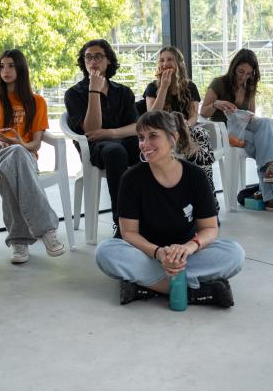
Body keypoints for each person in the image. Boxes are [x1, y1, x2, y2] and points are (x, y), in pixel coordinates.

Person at [94, 111, 245, 307]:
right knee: (106, 252)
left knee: (234, 253)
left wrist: (187, 249)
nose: (144, 144)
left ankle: (147, 287)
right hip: (147, 254)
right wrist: (159, 253)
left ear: (173, 138)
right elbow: (129, 233)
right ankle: (193, 291)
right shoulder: (131, 178)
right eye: (141, 138)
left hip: (187, 254)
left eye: (153, 136)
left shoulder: (195, 176)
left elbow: (210, 228)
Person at [0, 49, 66, 264]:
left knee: (14, 163)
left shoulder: (37, 102)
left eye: (11, 65)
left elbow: (35, 144)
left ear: (21, 68)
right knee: (13, 155)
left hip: (24, 157)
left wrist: (19, 144)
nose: (5, 70)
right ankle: (47, 229)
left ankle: (19, 241)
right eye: (2, 66)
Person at [201, 48, 273, 214]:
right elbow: (203, 113)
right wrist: (216, 104)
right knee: (266, 145)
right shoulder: (219, 83)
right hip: (225, 132)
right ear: (233, 67)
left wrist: (247, 117)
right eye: (241, 72)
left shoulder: (250, 86)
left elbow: (252, 114)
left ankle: (271, 173)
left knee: (268, 123)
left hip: (243, 129)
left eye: (249, 73)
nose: (244, 77)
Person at [64, 39, 139, 235]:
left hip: (122, 141)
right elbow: (92, 128)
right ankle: (122, 224)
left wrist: (111, 132)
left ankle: (152, 215)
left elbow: (137, 127)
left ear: (108, 61)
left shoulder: (123, 92)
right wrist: (94, 90)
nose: (93, 61)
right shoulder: (73, 94)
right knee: (115, 152)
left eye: (98, 56)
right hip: (95, 149)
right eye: (88, 57)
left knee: (147, 148)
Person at [144, 46, 219, 213]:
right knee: (191, 144)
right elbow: (152, 116)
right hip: (164, 133)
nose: (165, 63)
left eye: (170, 59)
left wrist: (186, 126)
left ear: (178, 63)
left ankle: (206, 203)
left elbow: (194, 116)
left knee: (201, 134)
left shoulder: (190, 87)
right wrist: (163, 87)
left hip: (187, 129)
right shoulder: (152, 87)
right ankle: (204, 206)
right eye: (162, 60)